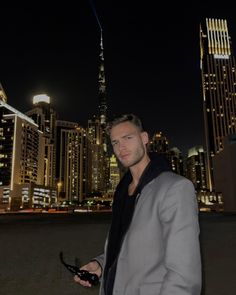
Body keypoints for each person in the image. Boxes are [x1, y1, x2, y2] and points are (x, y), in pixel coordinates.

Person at [74, 114, 202, 295]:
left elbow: (184, 276)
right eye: (115, 142)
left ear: (144, 139)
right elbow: (129, 248)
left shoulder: (175, 188)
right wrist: (101, 265)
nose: (121, 147)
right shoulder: (122, 192)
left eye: (128, 138)